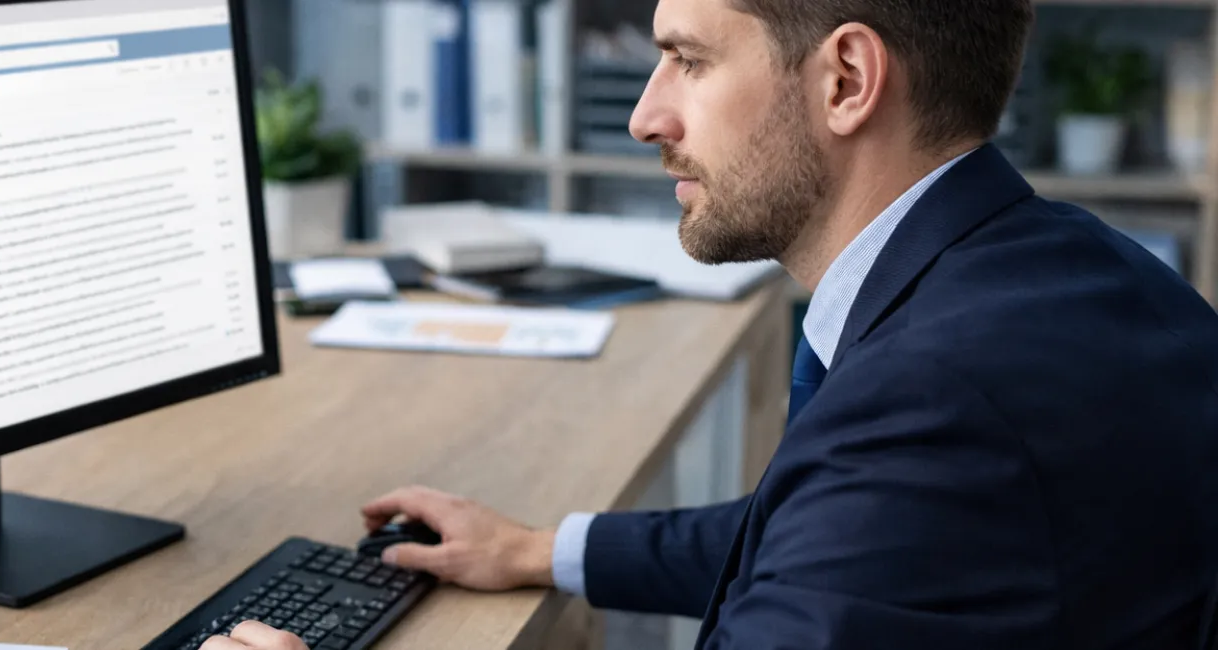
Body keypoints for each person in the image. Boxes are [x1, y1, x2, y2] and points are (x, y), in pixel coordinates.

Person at [205, 0, 1218, 647]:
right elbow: (828, 533)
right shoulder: (1078, 267)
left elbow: (871, 506)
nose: (647, 115)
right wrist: (544, 547)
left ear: (847, 81)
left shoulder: (932, 408)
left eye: (686, 59)